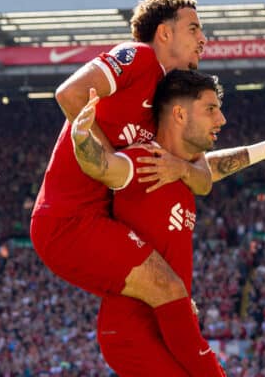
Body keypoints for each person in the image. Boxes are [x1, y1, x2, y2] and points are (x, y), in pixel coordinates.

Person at [30, 0, 265, 375]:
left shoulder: (165, 105)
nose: (204, 39)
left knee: (170, 297)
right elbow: (69, 94)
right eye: (194, 28)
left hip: (98, 222)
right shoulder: (141, 57)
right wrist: (106, 160)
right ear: (164, 34)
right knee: (169, 289)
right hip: (67, 222)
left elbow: (200, 175)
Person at [73, 69, 228, 376]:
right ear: (180, 114)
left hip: (168, 326)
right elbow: (104, 166)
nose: (221, 120)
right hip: (132, 332)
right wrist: (82, 138)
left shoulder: (186, 172)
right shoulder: (145, 161)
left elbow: (216, 167)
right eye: (211, 109)